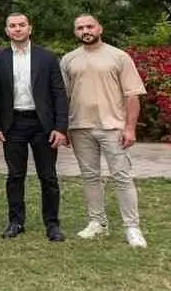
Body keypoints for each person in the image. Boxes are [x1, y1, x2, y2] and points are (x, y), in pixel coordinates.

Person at [61, 14, 149, 248]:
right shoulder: (69, 60)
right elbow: (64, 97)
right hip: (80, 127)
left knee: (122, 176)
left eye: (90, 26)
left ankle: (132, 227)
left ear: (100, 28)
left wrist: (130, 128)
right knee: (90, 177)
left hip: (113, 128)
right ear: (75, 32)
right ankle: (97, 222)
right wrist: (64, 127)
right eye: (80, 28)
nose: (85, 30)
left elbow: (132, 95)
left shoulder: (119, 57)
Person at [0, 13, 68, 242]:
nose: (17, 29)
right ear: (7, 30)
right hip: (13, 124)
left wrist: (60, 127)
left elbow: (59, 94)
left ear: (30, 28)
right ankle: (16, 222)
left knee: (48, 177)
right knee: (15, 176)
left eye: (22, 25)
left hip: (43, 124)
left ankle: (52, 224)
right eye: (12, 26)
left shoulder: (48, 58)